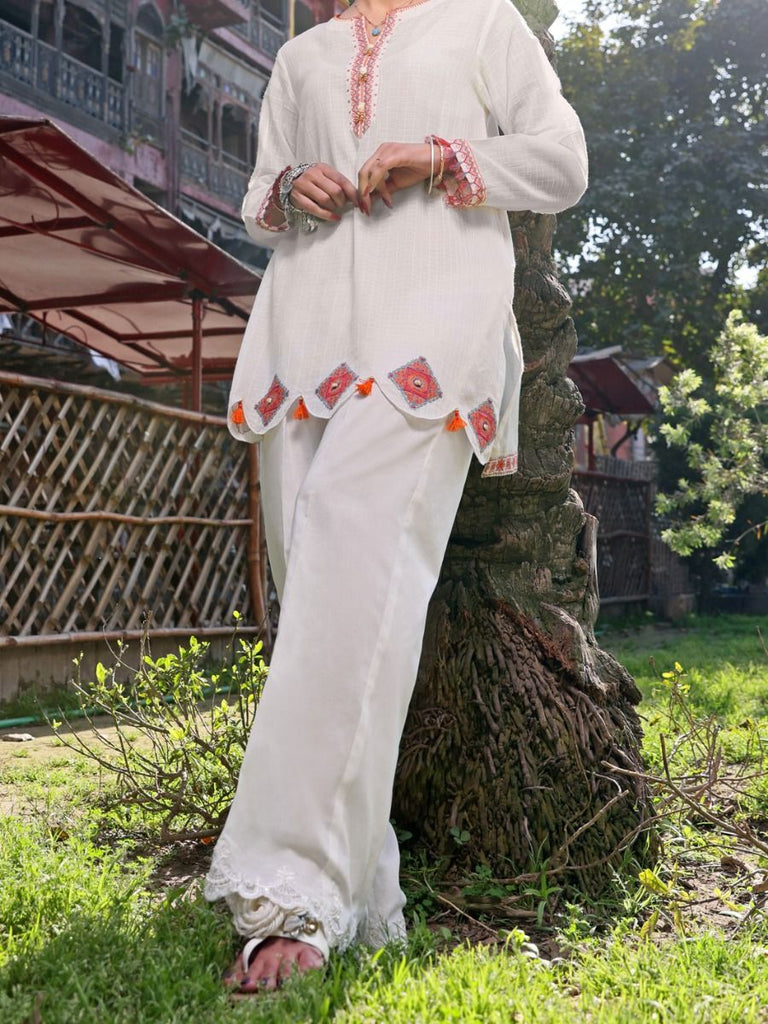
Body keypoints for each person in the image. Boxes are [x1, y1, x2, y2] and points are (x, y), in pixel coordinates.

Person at [204, 0, 588, 995]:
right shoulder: (301, 55)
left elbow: (561, 162)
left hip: (434, 324)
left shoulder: (484, 24)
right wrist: (291, 184)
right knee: (323, 607)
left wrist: (439, 156)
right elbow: (255, 200)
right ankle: (367, 900)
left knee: (352, 564)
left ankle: (287, 896)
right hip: (302, 335)